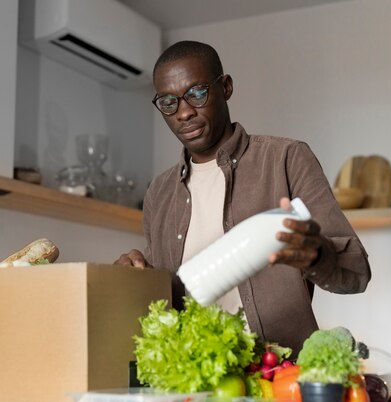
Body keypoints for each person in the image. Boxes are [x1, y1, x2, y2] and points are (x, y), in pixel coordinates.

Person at [114, 40, 370, 357]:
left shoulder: (285, 159)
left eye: (197, 94)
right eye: (168, 102)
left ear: (226, 87)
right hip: (194, 378)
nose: (183, 112)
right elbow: (164, 298)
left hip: (276, 379)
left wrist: (318, 255)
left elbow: (356, 273)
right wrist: (130, 278)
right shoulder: (159, 192)